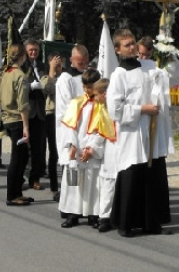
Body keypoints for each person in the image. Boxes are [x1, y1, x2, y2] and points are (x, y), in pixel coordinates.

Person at [107, 29, 171, 237]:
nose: (132, 47)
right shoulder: (119, 75)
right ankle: (126, 224)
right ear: (117, 50)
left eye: (133, 42)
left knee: (152, 178)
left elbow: (172, 78)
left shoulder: (150, 67)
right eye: (127, 45)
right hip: (132, 133)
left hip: (152, 132)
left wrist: (169, 53)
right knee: (132, 176)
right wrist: (142, 109)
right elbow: (115, 110)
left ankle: (151, 222)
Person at [57, 69, 106, 228]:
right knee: (73, 183)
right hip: (76, 150)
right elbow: (69, 126)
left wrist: (91, 147)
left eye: (90, 87)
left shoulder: (102, 106)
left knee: (93, 183)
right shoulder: (76, 102)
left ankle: (93, 214)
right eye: (85, 87)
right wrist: (72, 145)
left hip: (91, 150)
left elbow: (102, 128)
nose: (87, 90)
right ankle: (72, 213)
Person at [55, 44, 89, 203]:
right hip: (71, 128)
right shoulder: (65, 78)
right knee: (71, 167)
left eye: (85, 63)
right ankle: (69, 209)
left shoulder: (89, 76)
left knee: (87, 170)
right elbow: (66, 107)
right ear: (71, 60)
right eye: (79, 63)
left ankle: (84, 206)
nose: (83, 66)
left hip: (87, 128)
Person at [0, 44, 32, 206]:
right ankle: (12, 194)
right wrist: (26, 126)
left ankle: (17, 191)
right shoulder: (20, 75)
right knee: (17, 158)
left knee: (23, 156)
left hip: (7, 117)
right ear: (23, 57)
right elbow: (23, 104)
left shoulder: (5, 73)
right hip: (17, 120)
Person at [94, 78, 117, 233]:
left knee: (110, 183)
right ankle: (103, 216)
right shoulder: (101, 108)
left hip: (116, 148)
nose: (95, 98)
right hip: (107, 149)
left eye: (97, 94)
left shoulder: (111, 109)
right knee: (105, 184)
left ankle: (108, 216)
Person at [24, 39, 47, 191]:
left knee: (39, 148)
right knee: (26, 148)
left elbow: (47, 81)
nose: (33, 53)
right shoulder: (21, 66)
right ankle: (25, 175)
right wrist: (30, 86)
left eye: (36, 50)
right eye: (31, 50)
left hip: (40, 111)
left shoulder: (42, 66)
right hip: (26, 111)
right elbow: (18, 85)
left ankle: (35, 178)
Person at [41, 53, 63, 201]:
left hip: (65, 116)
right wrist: (52, 71)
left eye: (59, 63)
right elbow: (48, 89)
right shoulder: (45, 77)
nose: (58, 66)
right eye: (54, 63)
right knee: (54, 152)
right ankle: (54, 187)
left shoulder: (66, 78)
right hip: (51, 114)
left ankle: (69, 187)